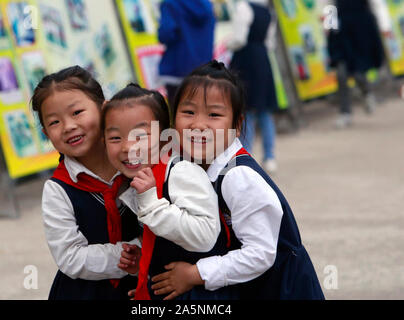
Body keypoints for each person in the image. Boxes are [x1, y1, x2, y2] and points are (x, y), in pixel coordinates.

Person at [149, 60, 324, 300]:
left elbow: (260, 253)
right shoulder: (190, 165)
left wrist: (195, 274)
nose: (198, 125)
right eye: (188, 112)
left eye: (214, 115)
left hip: (282, 290)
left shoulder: (237, 176)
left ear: (237, 125)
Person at [102, 84, 236, 300]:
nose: (127, 147)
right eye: (115, 138)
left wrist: (151, 203)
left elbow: (205, 236)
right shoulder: (134, 181)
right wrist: (146, 267)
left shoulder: (180, 172)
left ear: (165, 139)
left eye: (140, 136)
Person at [31, 66, 141, 300]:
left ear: (104, 109)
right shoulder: (58, 189)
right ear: (45, 134)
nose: (68, 126)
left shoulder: (138, 166)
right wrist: (131, 256)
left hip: (143, 286)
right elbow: (70, 256)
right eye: (54, 122)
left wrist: (148, 253)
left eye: (77, 112)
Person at [228, 0, 279, 173]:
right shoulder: (268, 12)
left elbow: (239, 39)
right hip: (263, 60)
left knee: (246, 110)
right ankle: (270, 157)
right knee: (265, 110)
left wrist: (227, 44)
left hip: (245, 60)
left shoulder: (243, 7)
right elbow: (270, 42)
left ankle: (245, 157)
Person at [327, 0, 392, 128]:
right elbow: (328, 5)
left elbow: (377, 4)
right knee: (341, 72)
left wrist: (385, 26)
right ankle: (345, 113)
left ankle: (367, 93)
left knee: (358, 71)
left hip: (362, 27)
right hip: (342, 30)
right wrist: (329, 26)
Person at [157, 0, 215, 107]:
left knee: (178, 115)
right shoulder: (207, 5)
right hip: (203, 70)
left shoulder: (170, 4)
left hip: (177, 70)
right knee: (201, 112)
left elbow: (165, 34)